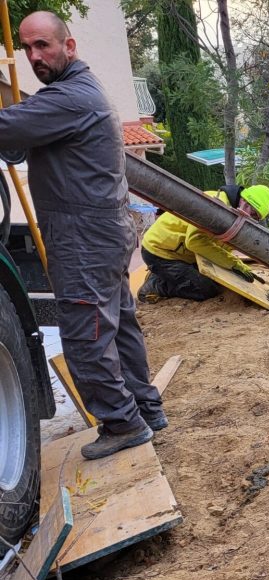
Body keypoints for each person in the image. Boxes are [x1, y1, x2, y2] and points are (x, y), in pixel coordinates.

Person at [0, 12, 165, 459]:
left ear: (68, 47)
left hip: (83, 237)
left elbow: (6, 129)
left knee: (84, 333)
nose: (34, 56)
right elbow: (16, 141)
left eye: (43, 46)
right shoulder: (68, 96)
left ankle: (122, 423)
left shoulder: (70, 98)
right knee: (118, 327)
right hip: (103, 230)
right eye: (27, 47)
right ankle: (147, 410)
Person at [138, 184, 269, 302]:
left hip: (181, 253)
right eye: (248, 205)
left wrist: (233, 265)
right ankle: (155, 285)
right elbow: (194, 241)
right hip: (160, 252)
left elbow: (221, 245)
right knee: (205, 289)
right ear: (242, 197)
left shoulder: (233, 216)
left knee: (214, 281)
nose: (246, 213)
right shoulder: (214, 205)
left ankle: (162, 274)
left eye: (254, 214)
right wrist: (233, 263)